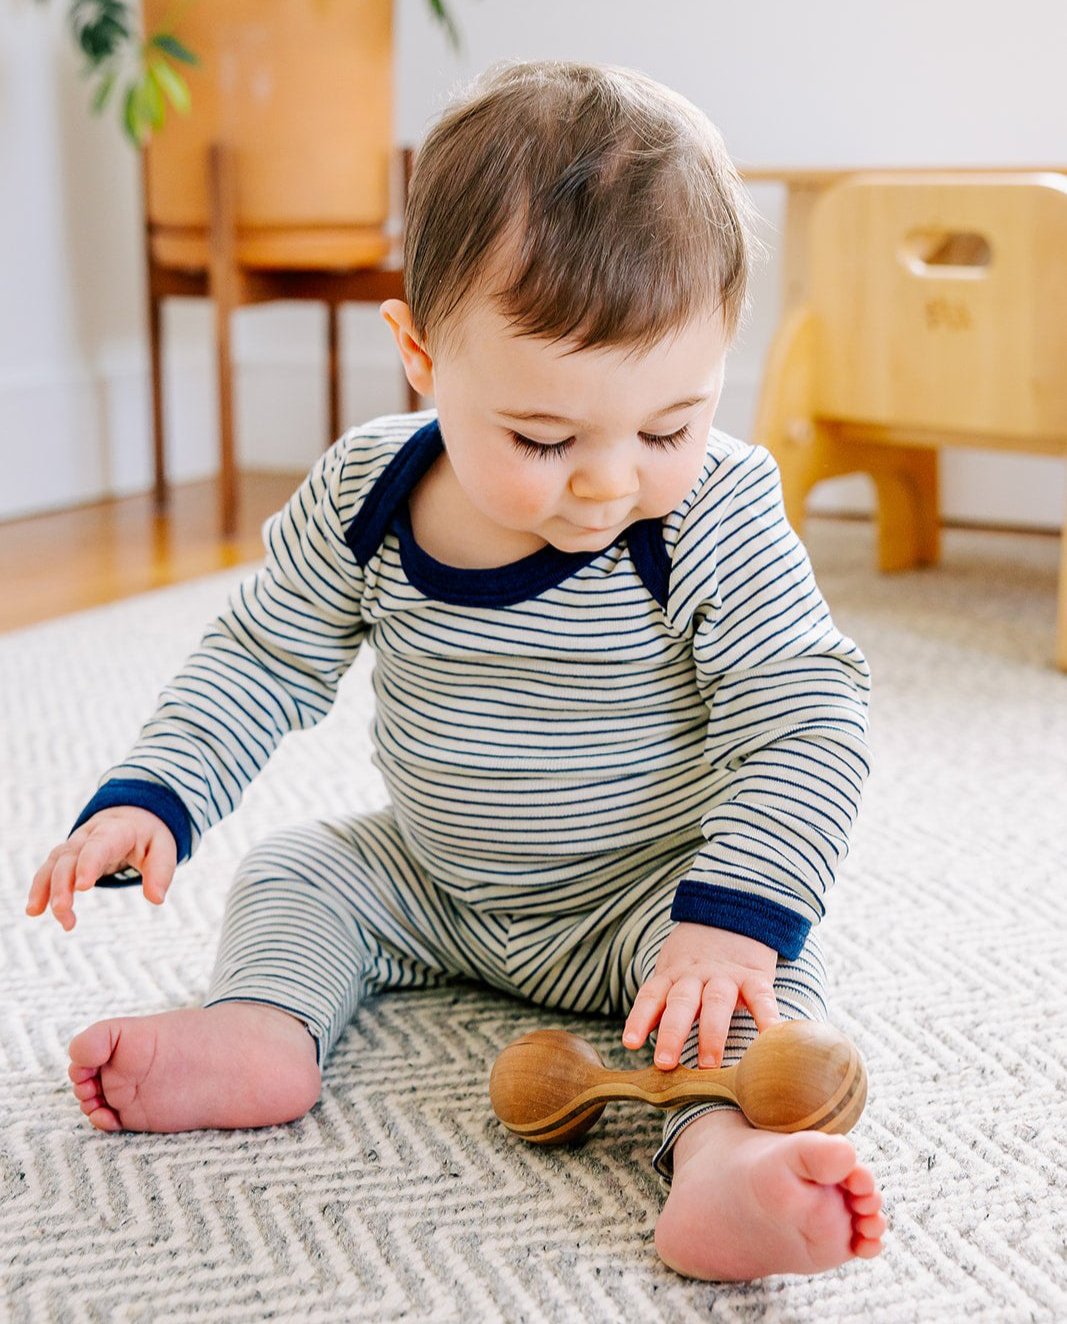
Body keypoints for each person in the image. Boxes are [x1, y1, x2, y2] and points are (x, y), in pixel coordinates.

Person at [25, 61, 886, 1281]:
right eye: (543, 436)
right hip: (428, 879)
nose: (606, 479)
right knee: (300, 869)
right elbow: (262, 656)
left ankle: (719, 1167)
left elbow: (807, 720)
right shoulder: (364, 493)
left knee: (752, 1004)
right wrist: (150, 792)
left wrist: (723, 930)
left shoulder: (716, 512)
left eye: (667, 427)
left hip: (643, 901)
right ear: (420, 353)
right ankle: (260, 1028)